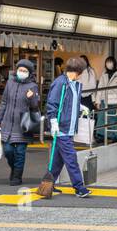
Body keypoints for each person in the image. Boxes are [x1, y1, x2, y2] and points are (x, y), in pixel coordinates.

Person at [43, 56, 92, 198]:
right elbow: (52, 104)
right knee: (71, 158)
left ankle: (47, 184)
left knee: (57, 160)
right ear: (76, 71)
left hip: (68, 128)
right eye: (81, 72)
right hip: (62, 128)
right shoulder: (60, 84)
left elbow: (72, 103)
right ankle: (79, 188)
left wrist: (81, 107)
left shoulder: (73, 84)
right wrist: (53, 122)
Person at [0, 58, 41, 186]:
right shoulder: (10, 83)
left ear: (29, 73)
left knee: (20, 152)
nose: (22, 72)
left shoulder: (32, 86)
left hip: (23, 124)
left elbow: (35, 107)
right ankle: (15, 169)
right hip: (8, 123)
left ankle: (16, 177)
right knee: (8, 150)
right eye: (20, 70)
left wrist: (31, 98)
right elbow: (4, 102)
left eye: (25, 71)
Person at [96, 55, 117, 142]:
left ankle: (114, 136)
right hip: (104, 100)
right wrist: (97, 101)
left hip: (114, 101)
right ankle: (101, 135)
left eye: (110, 62)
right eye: (107, 62)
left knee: (113, 119)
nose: (108, 64)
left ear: (114, 63)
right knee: (101, 118)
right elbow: (100, 88)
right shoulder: (104, 74)